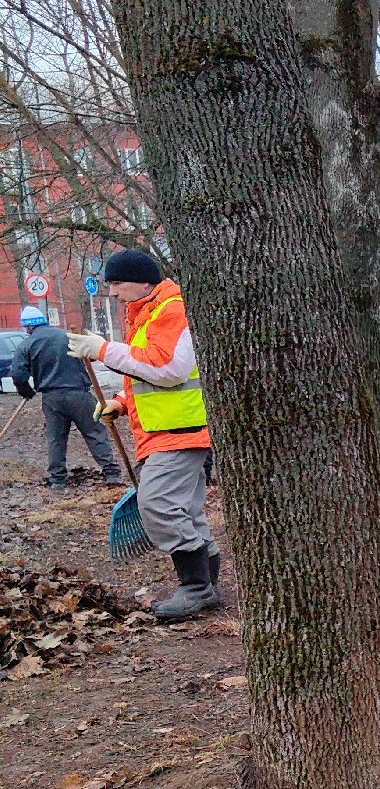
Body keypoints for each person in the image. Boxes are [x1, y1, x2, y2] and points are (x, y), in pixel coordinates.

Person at [65, 249, 222, 621]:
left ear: (141, 279)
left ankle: (196, 588)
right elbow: (148, 370)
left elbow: (169, 369)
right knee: (186, 509)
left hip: (180, 430)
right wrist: (120, 401)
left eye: (117, 283)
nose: (114, 292)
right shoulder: (146, 312)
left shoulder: (171, 309)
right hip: (165, 429)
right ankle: (207, 586)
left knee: (158, 505)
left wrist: (103, 349)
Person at [7, 305, 123, 489]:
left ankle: (57, 479)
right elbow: (89, 355)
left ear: (28, 327)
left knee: (56, 438)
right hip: (79, 394)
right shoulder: (66, 336)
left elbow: (18, 375)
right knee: (95, 433)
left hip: (52, 398)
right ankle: (112, 473)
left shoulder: (26, 345)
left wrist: (27, 392)